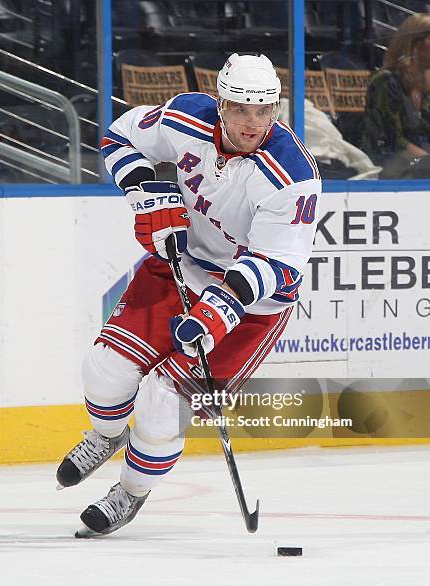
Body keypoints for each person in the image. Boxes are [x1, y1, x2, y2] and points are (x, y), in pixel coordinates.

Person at [56, 53, 321, 536]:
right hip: (181, 263)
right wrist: (144, 189)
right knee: (105, 372)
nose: (252, 122)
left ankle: (130, 494)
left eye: (264, 111)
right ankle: (107, 434)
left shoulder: (292, 175)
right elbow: (119, 136)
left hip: (252, 304)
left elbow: (278, 264)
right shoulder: (185, 117)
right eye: (240, 109)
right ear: (220, 104)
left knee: (162, 406)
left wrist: (216, 313)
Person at [361, 13, 430, 178]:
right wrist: (426, 161)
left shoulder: (426, 85)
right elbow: (393, 140)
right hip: (387, 163)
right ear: (415, 44)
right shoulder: (385, 81)